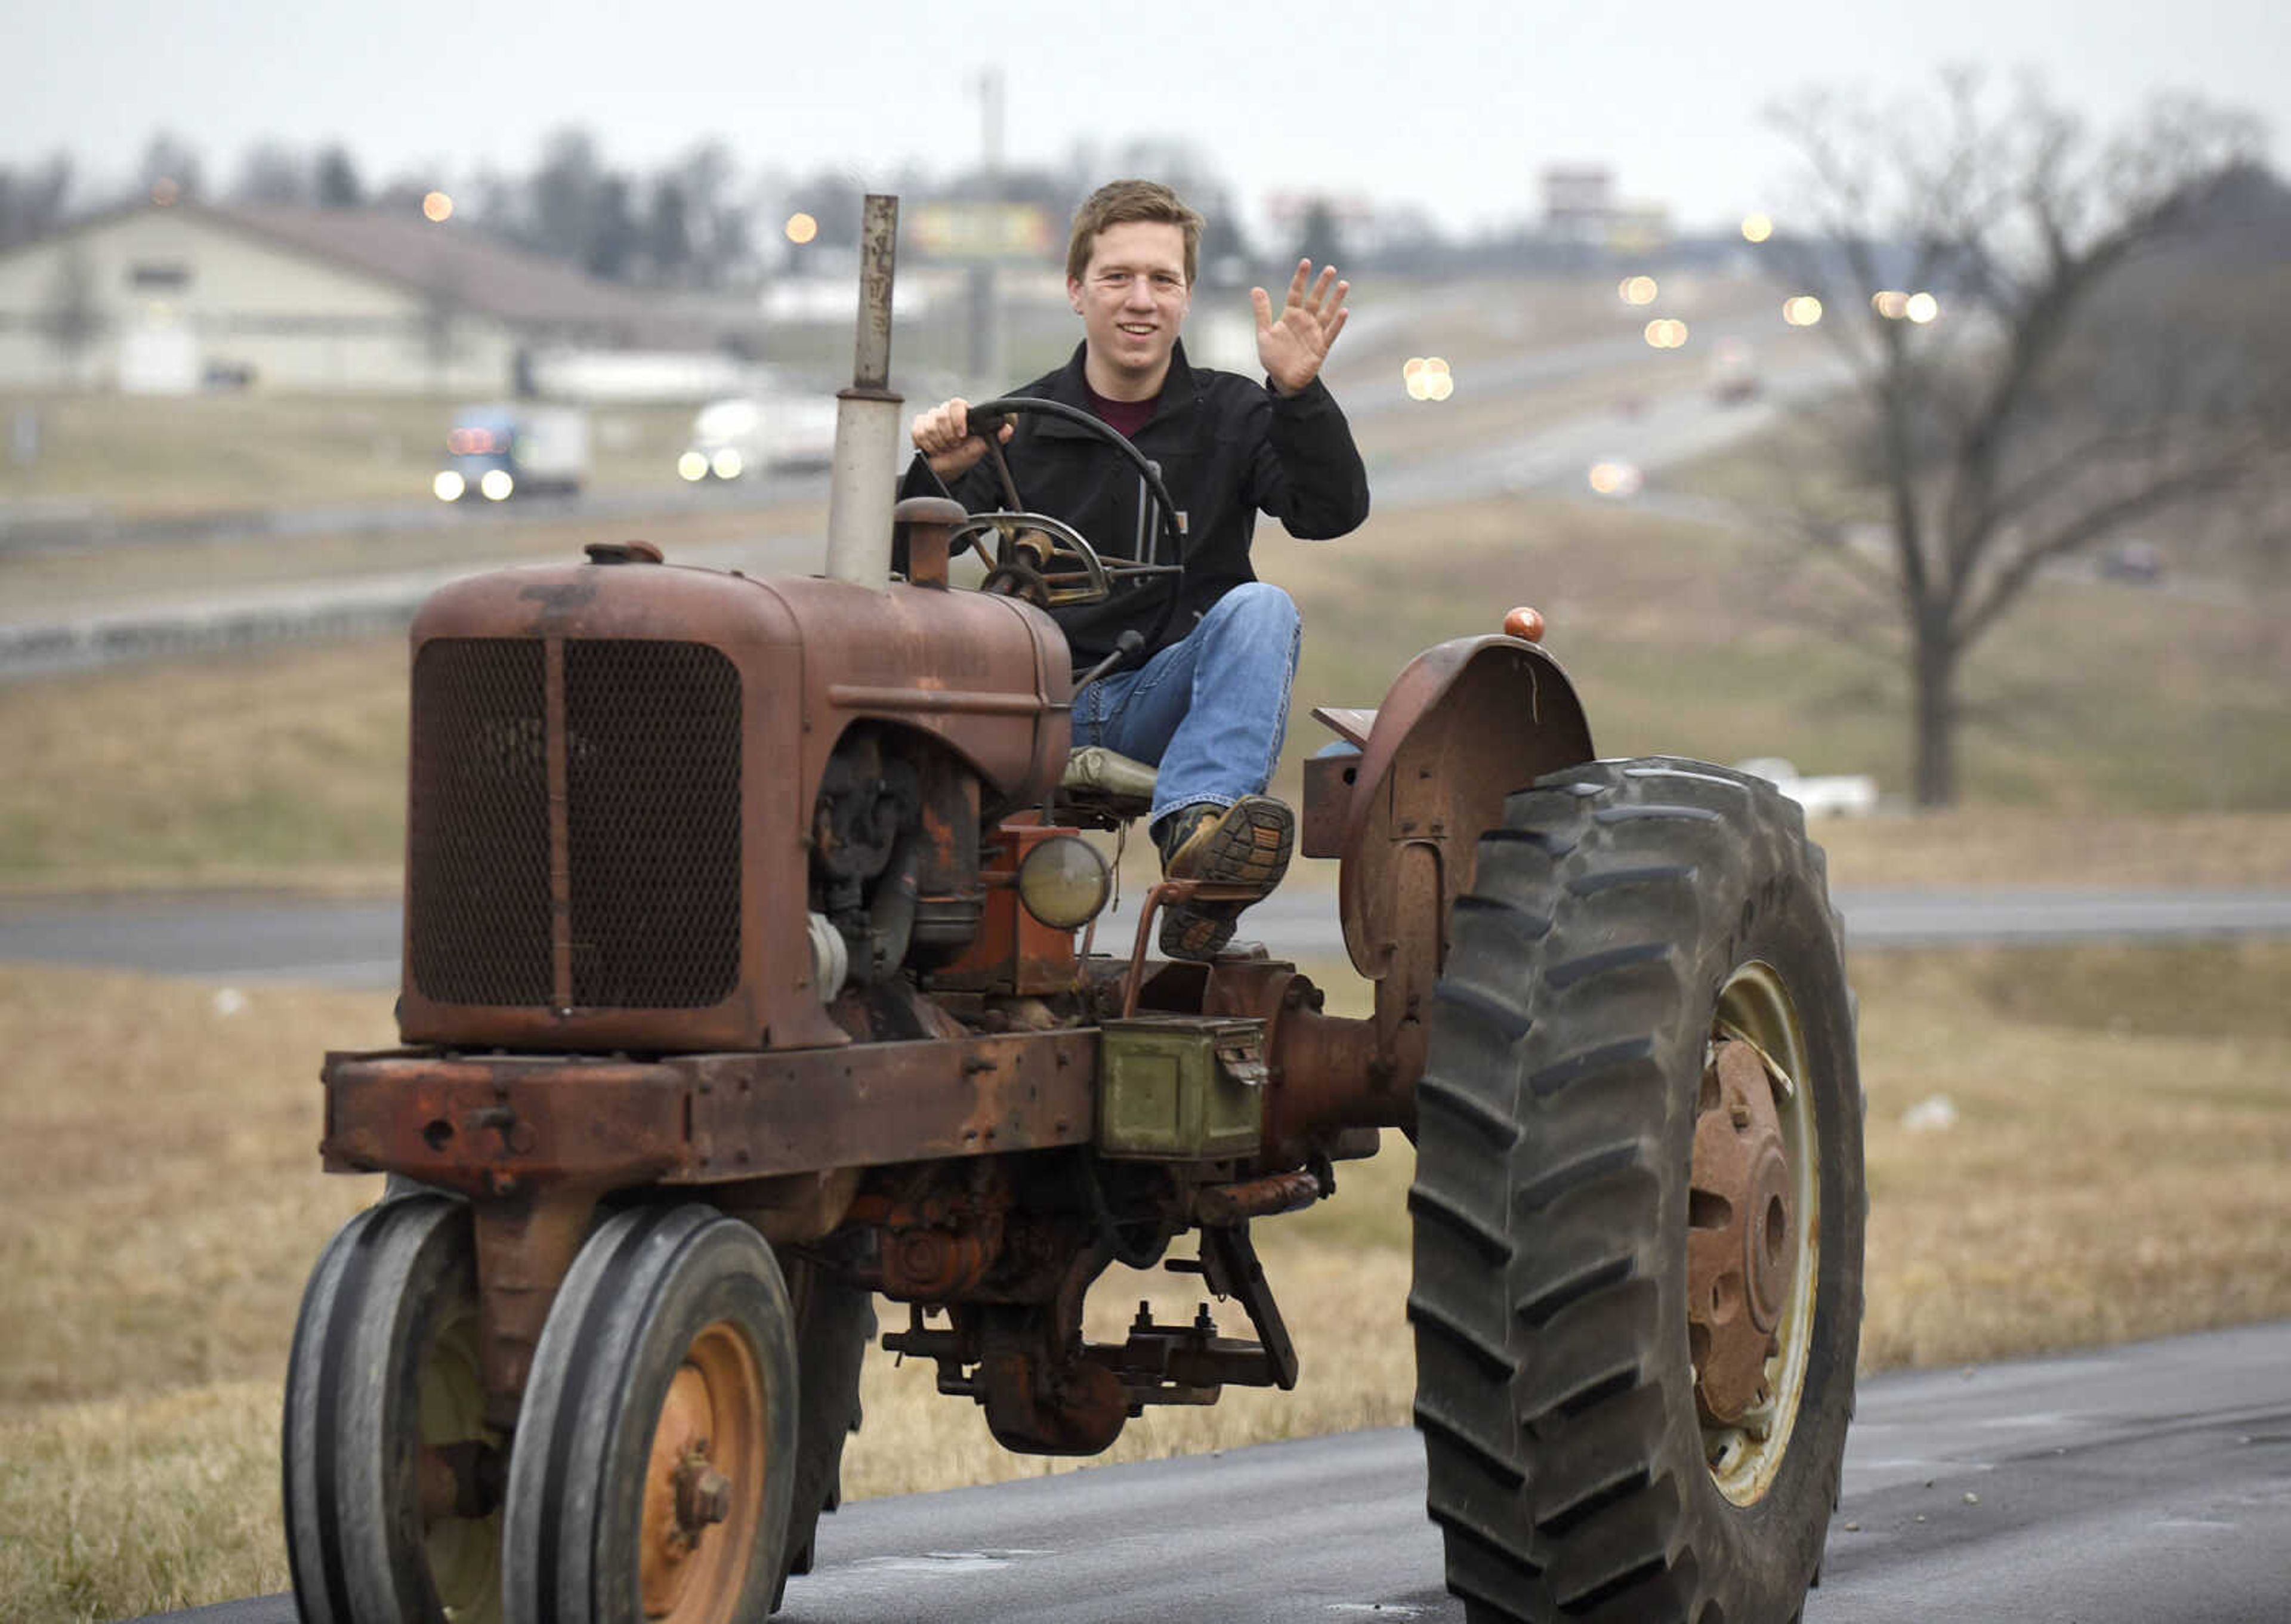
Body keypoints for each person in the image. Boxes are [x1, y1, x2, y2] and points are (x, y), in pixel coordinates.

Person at [907, 180, 1369, 960]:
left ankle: (1200, 842)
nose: (1140, 301)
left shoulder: (1235, 414)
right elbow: (900, 562)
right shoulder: (1016, 423)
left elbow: (1330, 511)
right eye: (1118, 277)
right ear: (1076, 290)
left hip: (1160, 703)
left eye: (1163, 279)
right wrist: (940, 475)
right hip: (1034, 701)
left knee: (1262, 607)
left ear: (1187, 296)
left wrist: (1297, 395)